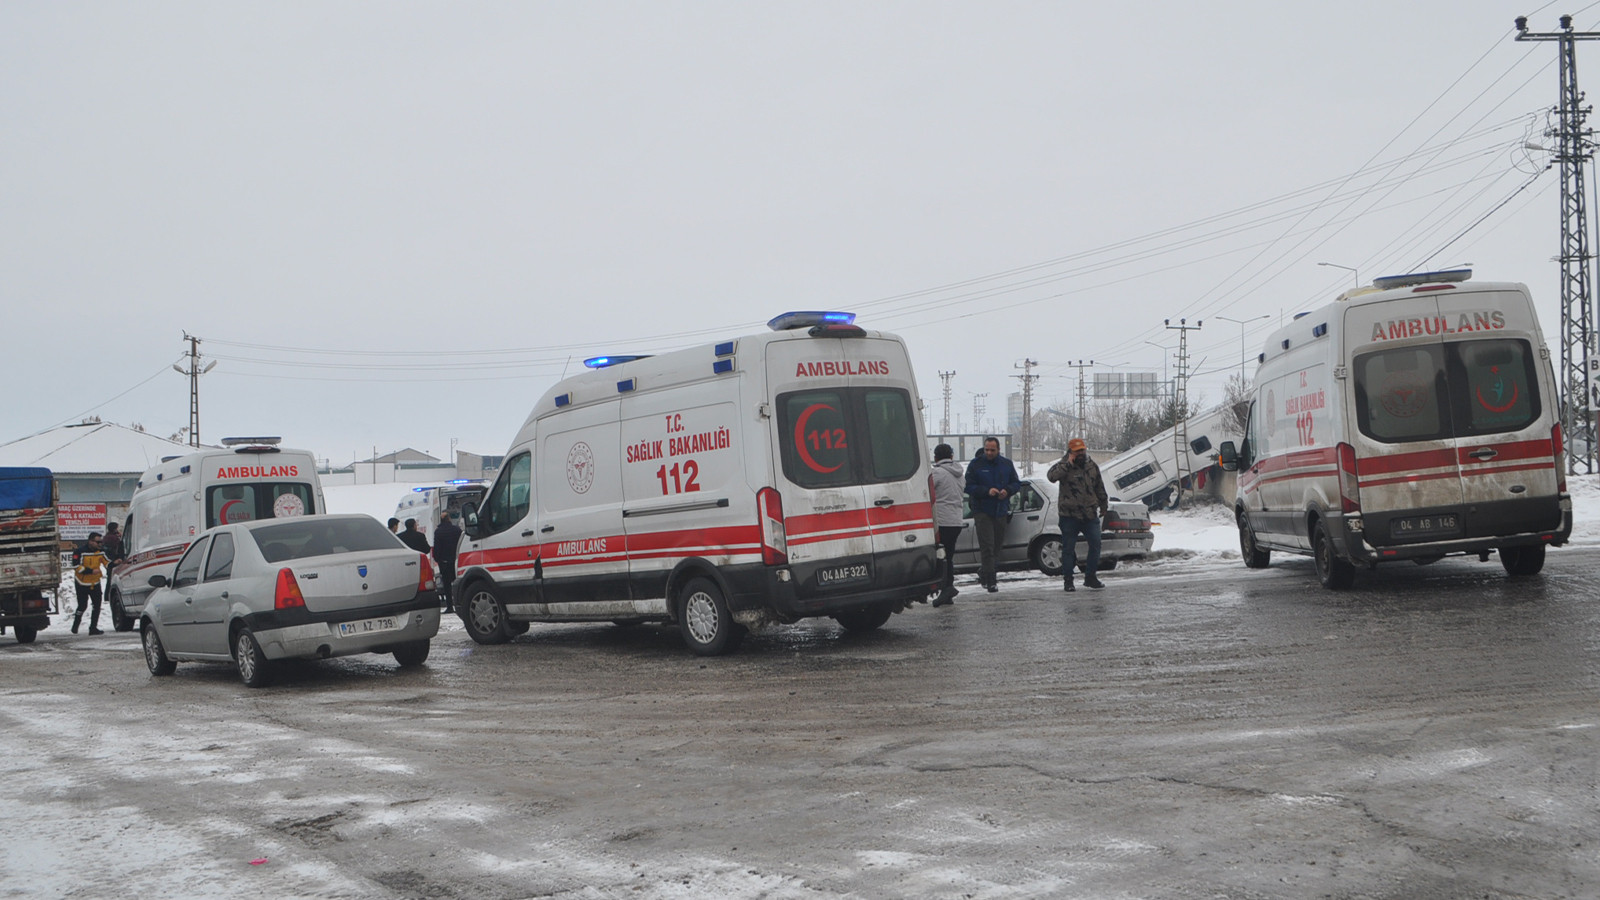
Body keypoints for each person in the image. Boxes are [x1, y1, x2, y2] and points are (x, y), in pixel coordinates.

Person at [1048, 437, 1109, 592]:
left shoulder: (1091, 466)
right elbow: (1051, 477)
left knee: (1096, 544)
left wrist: (1103, 504)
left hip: (1089, 514)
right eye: (1076, 451)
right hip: (1069, 516)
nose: (1080, 453)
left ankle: (1090, 577)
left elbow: (1099, 486)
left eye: (1082, 450)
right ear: (1070, 452)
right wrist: (1067, 464)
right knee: (1068, 549)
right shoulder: (1063, 465)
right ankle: (1068, 581)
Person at [964, 436, 1022, 593]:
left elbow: (1016, 483)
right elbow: (968, 486)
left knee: (996, 547)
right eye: (986, 450)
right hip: (982, 510)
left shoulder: (1006, 464)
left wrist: (1008, 491)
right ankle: (991, 581)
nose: (989, 453)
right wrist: (986, 491)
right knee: (987, 547)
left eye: (992, 450)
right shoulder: (975, 464)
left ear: (998, 450)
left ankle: (985, 571)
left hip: (1000, 510)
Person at [930, 443, 965, 606]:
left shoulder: (937, 473)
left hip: (942, 521)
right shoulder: (959, 474)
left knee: (942, 557)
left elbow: (927, 490)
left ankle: (946, 588)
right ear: (951, 456)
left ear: (936, 458)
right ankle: (947, 591)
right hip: (956, 521)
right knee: (948, 556)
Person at [70, 532, 109, 635]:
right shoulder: (80, 551)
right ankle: (75, 625)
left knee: (97, 605)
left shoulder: (100, 552)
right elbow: (76, 566)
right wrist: (90, 571)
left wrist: (115, 563)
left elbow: (107, 563)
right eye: (97, 542)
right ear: (90, 541)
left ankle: (93, 628)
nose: (100, 544)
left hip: (95, 582)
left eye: (101, 542)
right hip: (82, 583)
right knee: (82, 605)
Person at [432, 511, 462, 612]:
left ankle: (450, 606)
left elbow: (437, 548)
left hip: (444, 562)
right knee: (458, 582)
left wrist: (438, 559)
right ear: (449, 519)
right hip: (456, 561)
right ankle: (460, 604)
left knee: (447, 585)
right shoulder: (457, 530)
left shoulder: (438, 532)